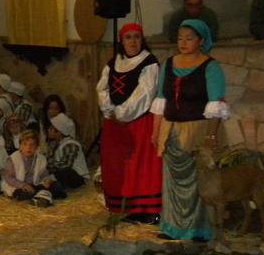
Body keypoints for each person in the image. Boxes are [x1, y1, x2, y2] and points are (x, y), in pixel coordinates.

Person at [150, 19, 229, 241]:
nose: (183, 43)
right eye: (180, 38)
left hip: (198, 131)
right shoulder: (168, 64)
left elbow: (216, 104)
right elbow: (161, 99)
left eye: (189, 38)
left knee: (197, 182)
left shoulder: (211, 67)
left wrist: (210, 136)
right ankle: (172, 227)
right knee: (172, 183)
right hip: (171, 130)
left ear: (201, 41)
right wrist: (156, 132)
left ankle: (198, 230)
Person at [96, 23, 162, 222]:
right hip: (114, 124)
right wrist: (109, 110)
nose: (133, 41)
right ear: (121, 41)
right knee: (118, 165)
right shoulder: (112, 63)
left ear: (142, 40)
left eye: (137, 37)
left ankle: (147, 210)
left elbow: (145, 93)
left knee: (140, 166)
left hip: (139, 123)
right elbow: (102, 89)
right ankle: (124, 206)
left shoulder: (149, 63)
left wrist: (121, 113)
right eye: (128, 37)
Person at [0, 130, 61, 207]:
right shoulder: (13, 159)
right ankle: (42, 196)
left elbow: (44, 174)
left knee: (56, 185)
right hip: (18, 186)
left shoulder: (40, 159)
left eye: (32, 145)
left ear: (37, 147)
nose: (28, 147)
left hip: (35, 184)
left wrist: (47, 180)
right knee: (24, 194)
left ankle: (41, 196)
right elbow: (8, 178)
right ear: (20, 146)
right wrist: (23, 185)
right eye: (25, 144)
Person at [46, 112, 89, 192]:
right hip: (62, 174)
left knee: (64, 171)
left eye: (51, 129)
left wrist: (48, 165)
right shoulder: (55, 144)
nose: (48, 130)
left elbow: (65, 165)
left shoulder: (71, 144)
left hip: (77, 177)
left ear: (59, 132)